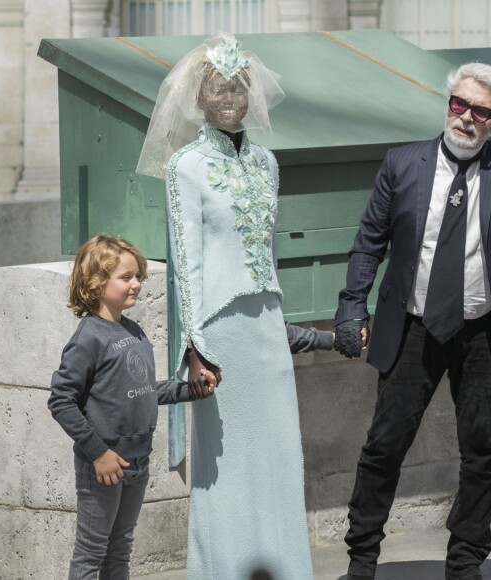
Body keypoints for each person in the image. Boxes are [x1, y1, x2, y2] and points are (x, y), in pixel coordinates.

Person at [137, 33, 342, 580]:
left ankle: (285, 569)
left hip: (266, 329)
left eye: (237, 88)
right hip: (220, 334)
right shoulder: (186, 166)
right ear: (199, 98)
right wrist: (195, 348)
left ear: (251, 95)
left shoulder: (268, 163)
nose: (228, 98)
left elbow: (267, 253)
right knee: (224, 468)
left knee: (278, 459)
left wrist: (279, 323)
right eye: (217, 89)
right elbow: (187, 263)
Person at [334, 62, 491, 580]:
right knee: (384, 445)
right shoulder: (403, 164)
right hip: (412, 327)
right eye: (459, 104)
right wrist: (351, 306)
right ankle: (362, 557)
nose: (466, 118)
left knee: (485, 451)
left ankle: (465, 563)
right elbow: (369, 243)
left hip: (481, 334)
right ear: (447, 103)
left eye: (481, 112)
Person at [47, 235, 216, 580]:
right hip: (104, 466)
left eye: (138, 276)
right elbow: (61, 400)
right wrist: (98, 453)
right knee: (92, 554)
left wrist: (190, 391)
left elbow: (143, 391)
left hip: (137, 461)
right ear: (95, 283)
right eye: (126, 277)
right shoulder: (88, 339)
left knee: (120, 549)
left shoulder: (134, 331)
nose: (137, 283)